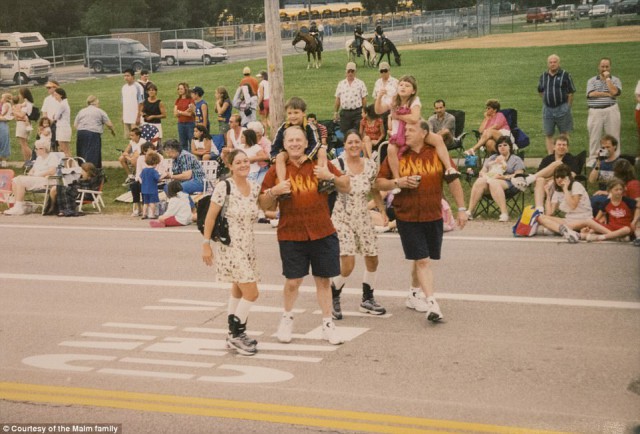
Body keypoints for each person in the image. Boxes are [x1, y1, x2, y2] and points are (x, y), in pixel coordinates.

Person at [259, 126, 351, 345]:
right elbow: (263, 203)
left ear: (305, 142)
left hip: (322, 230)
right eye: (290, 140)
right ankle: (287, 318)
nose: (295, 144)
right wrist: (274, 191)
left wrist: (331, 176)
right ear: (284, 144)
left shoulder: (319, 163)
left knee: (323, 280)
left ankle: (328, 323)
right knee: (293, 281)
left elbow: (346, 185)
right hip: (291, 232)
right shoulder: (277, 170)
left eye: (298, 140)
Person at [374, 119, 468, 323]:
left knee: (422, 257)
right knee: (423, 260)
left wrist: (461, 209)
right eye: (405, 129)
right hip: (406, 215)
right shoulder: (398, 154)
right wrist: (398, 182)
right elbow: (379, 182)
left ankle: (414, 292)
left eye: (411, 130)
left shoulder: (436, 153)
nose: (405, 133)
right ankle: (432, 303)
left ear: (424, 133)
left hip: (433, 214)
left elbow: (453, 180)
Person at [203, 149, 262, 356]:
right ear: (230, 166)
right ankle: (237, 334)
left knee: (238, 289)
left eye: (246, 161)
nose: (244, 165)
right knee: (252, 292)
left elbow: (265, 208)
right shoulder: (224, 186)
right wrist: (206, 243)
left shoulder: (254, 187)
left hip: (248, 245)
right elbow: (210, 217)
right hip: (230, 246)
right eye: (238, 162)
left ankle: (232, 332)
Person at [329, 130, 387, 320]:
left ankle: (367, 298)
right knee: (348, 263)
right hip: (342, 217)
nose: (354, 145)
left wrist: (382, 210)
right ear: (344, 145)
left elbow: (375, 189)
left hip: (363, 216)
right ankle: (333, 295)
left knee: (372, 258)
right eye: (350, 142)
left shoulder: (370, 166)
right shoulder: (337, 165)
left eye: (357, 142)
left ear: (362, 145)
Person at [375, 75, 459, 191]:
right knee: (390, 149)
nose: (403, 87)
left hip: (414, 132)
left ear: (413, 90)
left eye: (407, 85)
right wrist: (379, 97)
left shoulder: (414, 100)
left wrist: (398, 115)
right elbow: (378, 110)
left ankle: (449, 168)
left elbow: (414, 118)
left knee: (437, 139)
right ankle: (397, 180)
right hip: (398, 135)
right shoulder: (394, 100)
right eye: (401, 84)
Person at [271, 97, 327, 195]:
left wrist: (307, 155)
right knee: (279, 157)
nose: (293, 116)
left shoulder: (310, 126)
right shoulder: (284, 127)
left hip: (308, 151)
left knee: (322, 150)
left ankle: (322, 180)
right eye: (289, 113)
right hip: (290, 152)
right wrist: (274, 157)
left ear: (303, 113)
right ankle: (283, 185)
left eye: (296, 112)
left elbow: (316, 143)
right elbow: (275, 144)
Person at [511, 135, 579, 213]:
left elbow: (572, 175)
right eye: (559, 145)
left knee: (557, 163)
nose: (561, 147)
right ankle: (539, 209)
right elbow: (540, 174)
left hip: (563, 186)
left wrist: (553, 180)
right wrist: (548, 180)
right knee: (540, 179)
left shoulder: (572, 159)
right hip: (546, 186)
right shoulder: (547, 159)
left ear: (567, 148)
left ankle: (528, 180)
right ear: (554, 147)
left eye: (564, 145)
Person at [466, 136, 525, 222]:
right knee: (480, 181)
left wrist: (503, 177)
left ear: (510, 147)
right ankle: (470, 211)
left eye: (505, 145)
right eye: (499, 146)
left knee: (494, 182)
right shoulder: (493, 158)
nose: (502, 147)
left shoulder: (516, 159)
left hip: (509, 183)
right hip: (490, 181)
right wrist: (484, 174)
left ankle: (504, 213)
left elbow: (519, 175)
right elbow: (483, 171)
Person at [536, 164, 593, 243]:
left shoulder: (576, 185)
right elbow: (549, 213)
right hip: (569, 220)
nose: (559, 179)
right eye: (557, 177)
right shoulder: (557, 191)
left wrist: (565, 189)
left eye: (562, 177)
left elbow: (573, 206)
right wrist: (548, 195)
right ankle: (565, 231)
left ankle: (560, 230)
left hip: (583, 219)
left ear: (568, 177)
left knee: (548, 229)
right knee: (540, 217)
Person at [4, 141, 59, 215]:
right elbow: (32, 170)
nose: (37, 150)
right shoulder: (39, 158)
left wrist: (38, 174)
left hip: (47, 180)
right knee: (15, 180)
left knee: (20, 180)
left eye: (40, 148)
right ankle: (18, 205)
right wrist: (31, 173)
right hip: (36, 179)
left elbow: (52, 171)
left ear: (45, 149)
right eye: (36, 149)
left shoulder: (52, 157)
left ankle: (18, 207)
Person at [538, 54, 576, 154]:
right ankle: (551, 157)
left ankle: (565, 155)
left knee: (564, 133)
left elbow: (571, 92)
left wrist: (567, 107)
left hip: (562, 108)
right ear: (548, 64)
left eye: (555, 62)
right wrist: (547, 100)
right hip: (548, 110)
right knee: (548, 134)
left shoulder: (565, 75)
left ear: (559, 63)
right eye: (550, 62)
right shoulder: (543, 76)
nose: (553, 64)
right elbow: (540, 91)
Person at [586, 57, 622, 165]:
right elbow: (591, 94)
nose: (604, 68)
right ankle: (594, 160)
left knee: (613, 135)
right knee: (594, 136)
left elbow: (614, 92)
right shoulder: (592, 80)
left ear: (610, 67)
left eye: (607, 66)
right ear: (599, 67)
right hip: (595, 111)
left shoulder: (615, 80)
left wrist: (608, 79)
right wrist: (607, 94)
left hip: (611, 110)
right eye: (602, 66)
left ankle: (614, 158)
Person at [74, 95, 116, 168]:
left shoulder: (82, 111)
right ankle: (92, 171)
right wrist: (112, 131)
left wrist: (82, 129)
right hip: (93, 134)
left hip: (81, 133)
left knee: (82, 152)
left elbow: (75, 124)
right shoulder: (100, 111)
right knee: (93, 153)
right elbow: (109, 124)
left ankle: (82, 168)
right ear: (95, 102)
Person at [588, 134, 621, 216]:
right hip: (601, 195)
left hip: (615, 195)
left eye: (608, 147)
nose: (605, 149)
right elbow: (591, 180)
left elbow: (624, 185)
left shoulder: (620, 163)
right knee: (590, 201)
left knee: (596, 201)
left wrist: (607, 192)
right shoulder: (599, 163)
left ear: (615, 147)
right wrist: (598, 162)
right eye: (603, 147)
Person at [130, 141, 163, 217]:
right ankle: (138, 208)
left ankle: (149, 212)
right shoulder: (141, 159)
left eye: (153, 150)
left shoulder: (159, 157)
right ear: (144, 152)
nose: (152, 152)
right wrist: (142, 181)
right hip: (145, 181)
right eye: (149, 150)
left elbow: (161, 171)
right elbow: (138, 174)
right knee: (134, 186)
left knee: (147, 189)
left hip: (155, 181)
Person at [334, 62, 367, 135]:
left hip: (357, 113)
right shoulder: (341, 84)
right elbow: (338, 99)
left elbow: (364, 99)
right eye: (349, 71)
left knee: (358, 133)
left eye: (352, 71)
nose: (350, 73)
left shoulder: (360, 83)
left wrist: (364, 111)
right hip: (345, 113)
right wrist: (336, 112)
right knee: (345, 134)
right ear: (346, 72)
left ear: (355, 72)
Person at [371, 61, 398, 136]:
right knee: (381, 132)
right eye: (381, 71)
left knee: (391, 131)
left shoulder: (395, 82)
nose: (383, 73)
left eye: (385, 71)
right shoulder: (377, 82)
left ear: (389, 70)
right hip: (380, 110)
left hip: (391, 110)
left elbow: (399, 98)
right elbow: (375, 97)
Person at [140, 83, 166, 149]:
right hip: (146, 124)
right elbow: (141, 111)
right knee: (145, 143)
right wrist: (143, 114)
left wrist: (153, 116)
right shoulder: (145, 101)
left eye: (153, 90)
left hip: (156, 124)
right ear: (147, 92)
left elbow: (164, 115)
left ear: (156, 92)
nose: (151, 92)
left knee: (157, 144)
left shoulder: (159, 103)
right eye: (150, 90)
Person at [121, 69, 144, 138]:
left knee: (136, 137)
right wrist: (123, 115)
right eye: (125, 76)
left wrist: (138, 117)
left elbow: (141, 103)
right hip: (127, 117)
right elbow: (123, 103)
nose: (126, 77)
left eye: (128, 76)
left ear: (133, 76)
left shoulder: (138, 87)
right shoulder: (124, 87)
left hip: (135, 118)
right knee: (129, 138)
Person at [247, 121, 272, 185]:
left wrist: (255, 159)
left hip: (262, 169)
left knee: (258, 184)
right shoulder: (249, 141)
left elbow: (269, 157)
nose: (248, 134)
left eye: (250, 132)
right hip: (251, 168)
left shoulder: (266, 143)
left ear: (258, 133)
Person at [13, 87, 35, 162]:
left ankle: (33, 159)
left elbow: (22, 115)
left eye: (20, 93)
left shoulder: (26, 104)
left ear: (23, 94)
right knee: (24, 144)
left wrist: (14, 112)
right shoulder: (27, 103)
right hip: (25, 124)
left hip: (22, 124)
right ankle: (27, 161)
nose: (19, 95)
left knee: (23, 145)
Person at [174, 82, 195, 152]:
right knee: (182, 143)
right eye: (179, 89)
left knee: (191, 141)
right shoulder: (178, 100)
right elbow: (175, 113)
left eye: (181, 89)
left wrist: (180, 112)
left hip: (190, 123)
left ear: (185, 89)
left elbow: (190, 114)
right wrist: (184, 112)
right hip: (181, 123)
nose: (180, 90)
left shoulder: (190, 100)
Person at [140, 152, 161, 220]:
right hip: (152, 190)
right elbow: (158, 179)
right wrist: (163, 175)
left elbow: (141, 177)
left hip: (144, 190)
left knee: (145, 203)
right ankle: (152, 214)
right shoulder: (154, 171)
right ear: (155, 163)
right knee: (152, 203)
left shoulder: (144, 170)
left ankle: (144, 214)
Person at [41, 81, 61, 150]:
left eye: (49, 87)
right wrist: (45, 123)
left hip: (57, 123)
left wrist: (54, 121)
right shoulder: (47, 99)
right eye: (47, 88)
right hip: (48, 124)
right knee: (51, 143)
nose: (48, 89)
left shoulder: (59, 99)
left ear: (55, 88)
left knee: (59, 143)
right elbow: (44, 112)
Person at [52, 88, 72, 157]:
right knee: (65, 149)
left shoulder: (62, 105)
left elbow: (55, 117)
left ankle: (69, 166)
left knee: (64, 150)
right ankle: (69, 165)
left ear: (60, 95)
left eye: (56, 95)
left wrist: (55, 116)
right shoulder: (63, 103)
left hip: (63, 128)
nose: (55, 96)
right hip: (62, 127)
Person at [256, 71, 270, 135]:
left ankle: (265, 134)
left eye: (260, 77)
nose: (259, 78)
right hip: (269, 101)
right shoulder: (268, 83)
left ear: (263, 77)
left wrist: (258, 104)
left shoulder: (261, 84)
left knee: (263, 120)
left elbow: (261, 95)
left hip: (264, 102)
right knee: (266, 118)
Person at [0, 93, 11, 167]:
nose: (1, 99)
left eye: (3, 98)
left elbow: (5, 116)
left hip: (3, 124)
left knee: (4, 141)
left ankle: (4, 160)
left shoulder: (7, 105)